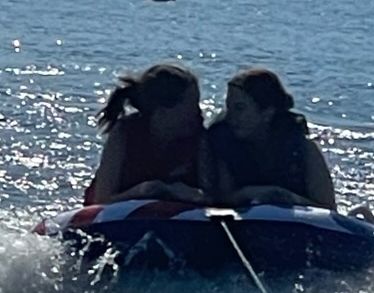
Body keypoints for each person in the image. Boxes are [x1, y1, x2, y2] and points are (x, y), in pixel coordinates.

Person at [201, 67, 338, 210]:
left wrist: (279, 195)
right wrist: (247, 194)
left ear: (267, 113)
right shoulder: (222, 144)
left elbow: (328, 209)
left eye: (240, 108)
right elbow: (222, 200)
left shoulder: (304, 149)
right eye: (229, 108)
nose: (231, 116)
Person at [85, 62, 206, 205]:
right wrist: (143, 191)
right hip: (115, 216)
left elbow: (214, 195)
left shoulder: (200, 138)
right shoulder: (125, 133)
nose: (199, 113)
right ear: (161, 111)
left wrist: (190, 194)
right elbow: (102, 200)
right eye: (192, 105)